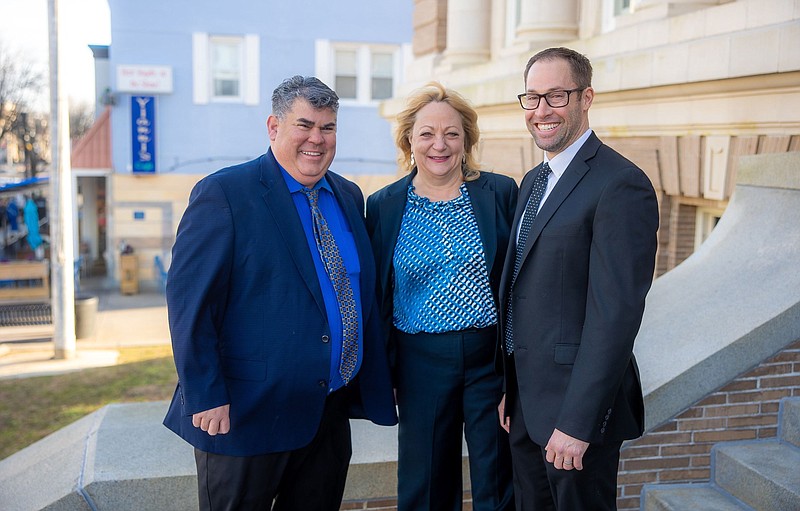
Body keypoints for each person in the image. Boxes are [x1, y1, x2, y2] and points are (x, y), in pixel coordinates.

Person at [163, 75, 398, 511]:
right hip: (244, 414)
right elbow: (189, 303)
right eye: (304, 125)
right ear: (274, 127)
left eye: (327, 128)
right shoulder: (225, 193)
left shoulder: (347, 195)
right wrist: (206, 393)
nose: (317, 139)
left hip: (325, 413)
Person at [497, 47, 659, 511]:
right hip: (526, 406)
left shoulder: (621, 184)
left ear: (586, 97)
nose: (542, 110)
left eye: (556, 95)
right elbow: (523, 292)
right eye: (532, 98)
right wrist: (513, 389)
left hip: (575, 417)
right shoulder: (532, 181)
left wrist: (578, 423)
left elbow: (616, 316)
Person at [366, 82, 516, 511]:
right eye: (427, 133)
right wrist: (386, 371)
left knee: (498, 477)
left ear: (466, 139)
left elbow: (518, 284)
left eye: (452, 133)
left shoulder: (500, 193)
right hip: (419, 363)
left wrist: (516, 372)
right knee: (425, 481)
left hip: (490, 359)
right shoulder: (384, 205)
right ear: (409, 140)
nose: (440, 144)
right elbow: (378, 296)